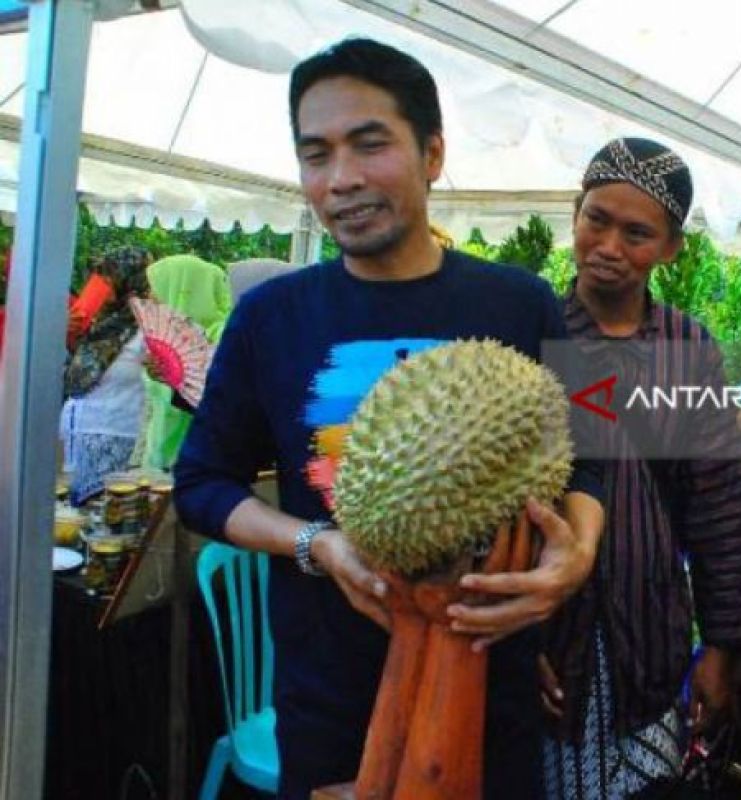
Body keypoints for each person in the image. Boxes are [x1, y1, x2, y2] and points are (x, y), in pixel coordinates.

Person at [171, 37, 604, 800]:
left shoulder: (520, 302)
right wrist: (317, 544)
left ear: (432, 153)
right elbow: (202, 483)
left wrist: (576, 558)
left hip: (490, 684)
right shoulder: (270, 317)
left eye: (370, 146)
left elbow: (591, 456)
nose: (341, 180)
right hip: (331, 703)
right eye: (316, 155)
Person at [538, 138, 741, 798]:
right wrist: (514, 647)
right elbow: (487, 503)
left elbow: (718, 505)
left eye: (637, 233)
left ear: (671, 248)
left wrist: (722, 646)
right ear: (575, 214)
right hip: (554, 633)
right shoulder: (533, 329)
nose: (608, 245)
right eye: (596, 219)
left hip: (652, 629)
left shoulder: (688, 348)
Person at [58, 246, 152, 504]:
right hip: (73, 435)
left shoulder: (148, 329)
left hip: (115, 436)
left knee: (105, 519)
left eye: (110, 279)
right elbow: (61, 375)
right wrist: (63, 334)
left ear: (130, 280)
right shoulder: (94, 322)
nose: (102, 287)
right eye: (100, 278)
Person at [139, 254, 231, 470]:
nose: (150, 297)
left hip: (207, 459)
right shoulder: (162, 334)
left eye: (155, 287)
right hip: (164, 454)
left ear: (179, 288)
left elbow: (212, 399)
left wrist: (171, 381)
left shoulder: (223, 337)